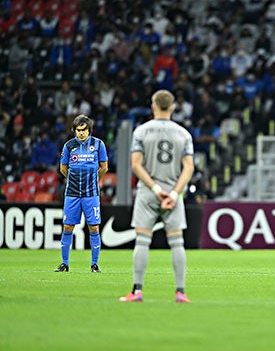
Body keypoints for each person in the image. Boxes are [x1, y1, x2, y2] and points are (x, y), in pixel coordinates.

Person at [119, 90, 195, 303]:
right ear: (172, 107)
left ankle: (137, 291)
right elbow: (188, 168)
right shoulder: (184, 134)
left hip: (148, 193)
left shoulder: (141, 132)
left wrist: (155, 189)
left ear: (153, 106)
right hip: (173, 193)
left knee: (142, 242)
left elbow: (135, 164)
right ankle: (180, 292)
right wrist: (173, 193)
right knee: (177, 243)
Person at [54, 115, 108, 273]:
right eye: (78, 130)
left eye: (84, 130)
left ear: (89, 130)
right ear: (74, 131)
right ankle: (64, 264)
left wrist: (93, 179)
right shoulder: (69, 146)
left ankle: (94, 264)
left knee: (94, 227)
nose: (81, 133)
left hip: (91, 193)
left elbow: (104, 167)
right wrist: (74, 180)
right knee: (68, 226)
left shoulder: (98, 145)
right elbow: (63, 169)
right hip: (72, 193)